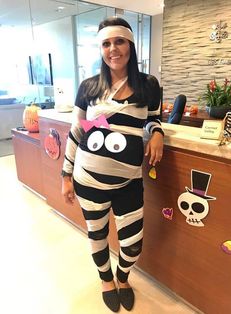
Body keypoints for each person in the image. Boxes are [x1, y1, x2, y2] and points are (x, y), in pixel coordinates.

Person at [61, 16, 164, 312]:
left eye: (119, 41)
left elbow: (153, 118)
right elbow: (78, 131)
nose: (113, 49)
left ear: (129, 44)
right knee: (97, 234)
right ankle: (106, 281)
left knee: (133, 243)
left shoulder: (148, 84)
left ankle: (124, 277)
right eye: (106, 43)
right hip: (87, 178)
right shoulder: (90, 86)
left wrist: (156, 133)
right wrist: (65, 175)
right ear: (100, 49)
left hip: (129, 181)